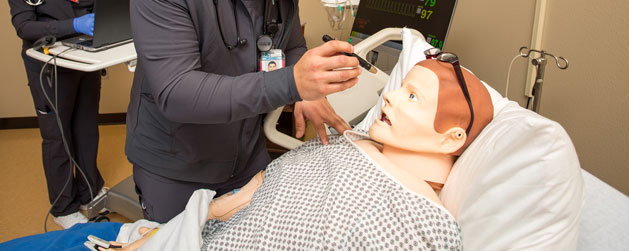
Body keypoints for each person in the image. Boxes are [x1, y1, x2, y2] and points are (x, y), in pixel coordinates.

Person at [125, 0, 362, 223]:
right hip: (177, 168)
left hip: (248, 159)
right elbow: (176, 92)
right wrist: (293, 84)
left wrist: (309, 93)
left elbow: (292, 46)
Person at [101, 52, 494, 250]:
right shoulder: (359, 143)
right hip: (213, 222)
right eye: (399, 86)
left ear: (451, 138)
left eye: (412, 95)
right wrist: (213, 212)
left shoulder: (418, 221)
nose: (389, 97)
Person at [4, 0, 108, 229]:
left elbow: (105, 6)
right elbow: (24, 26)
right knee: (57, 134)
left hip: (86, 64)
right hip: (48, 66)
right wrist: (74, 26)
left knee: (85, 128)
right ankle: (64, 206)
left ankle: (90, 190)